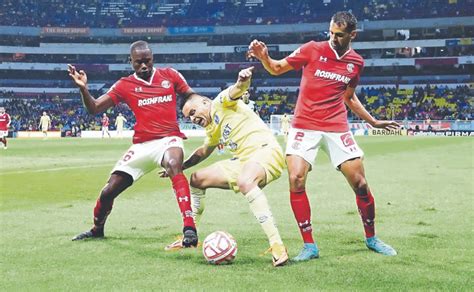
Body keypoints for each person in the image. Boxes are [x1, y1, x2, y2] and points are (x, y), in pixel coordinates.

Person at [248, 11, 399, 261]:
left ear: (353, 35)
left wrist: (372, 120)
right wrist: (264, 57)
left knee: (360, 183)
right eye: (330, 33)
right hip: (304, 125)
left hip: (336, 125)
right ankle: (309, 246)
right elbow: (276, 68)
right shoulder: (312, 49)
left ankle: (371, 238)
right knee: (296, 179)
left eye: (339, 35)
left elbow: (348, 97)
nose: (333, 38)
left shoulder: (356, 62)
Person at [68, 40, 199, 247]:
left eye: (147, 61)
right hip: (141, 146)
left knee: (174, 165)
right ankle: (97, 229)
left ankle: (189, 229)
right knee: (108, 191)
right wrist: (83, 89)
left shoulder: (170, 75)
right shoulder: (124, 85)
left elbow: (190, 95)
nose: (144, 66)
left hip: (169, 139)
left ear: (152, 58)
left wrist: (196, 107)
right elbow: (94, 108)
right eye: (139, 62)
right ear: (131, 62)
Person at [164, 67, 289, 267]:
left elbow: (237, 89)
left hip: (266, 151)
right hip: (243, 161)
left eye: (194, 112)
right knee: (197, 179)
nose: (193, 119)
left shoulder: (222, 102)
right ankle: (191, 237)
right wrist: (181, 167)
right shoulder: (212, 128)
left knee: (245, 181)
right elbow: (204, 151)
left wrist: (243, 80)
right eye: (189, 118)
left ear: (206, 102)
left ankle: (277, 245)